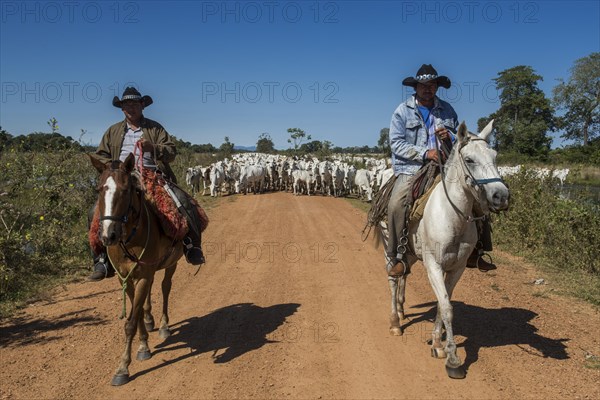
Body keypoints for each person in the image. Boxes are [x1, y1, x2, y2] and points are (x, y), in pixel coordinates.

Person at [386, 64, 496, 277]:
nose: (428, 89)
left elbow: (460, 142)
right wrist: (425, 153)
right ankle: (397, 255)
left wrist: (449, 138)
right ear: (416, 87)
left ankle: (478, 251)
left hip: (446, 166)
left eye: (432, 85)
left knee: (479, 200)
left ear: (437, 87)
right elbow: (395, 143)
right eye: (423, 85)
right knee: (396, 204)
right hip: (412, 168)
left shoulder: (448, 110)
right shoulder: (402, 111)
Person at [87, 87, 205, 281]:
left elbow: (171, 152)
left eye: (134, 104)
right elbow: (101, 155)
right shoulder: (113, 131)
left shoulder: (155, 128)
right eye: (126, 105)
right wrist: (116, 168)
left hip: (153, 175)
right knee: (94, 212)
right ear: (121, 108)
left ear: (142, 105)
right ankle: (101, 260)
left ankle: (192, 246)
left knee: (184, 202)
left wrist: (154, 148)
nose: (130, 108)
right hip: (122, 177)